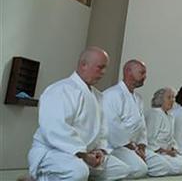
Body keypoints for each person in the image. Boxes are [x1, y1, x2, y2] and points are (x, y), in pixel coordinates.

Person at [27, 47, 132, 181]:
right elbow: (55, 129)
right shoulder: (60, 90)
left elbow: (102, 131)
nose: (103, 72)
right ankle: (41, 176)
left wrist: (100, 150)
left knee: (123, 169)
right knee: (78, 172)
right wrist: (83, 154)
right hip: (55, 152)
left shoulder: (98, 96)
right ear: (83, 65)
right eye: (100, 67)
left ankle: (78, 173)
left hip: (87, 154)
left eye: (105, 68)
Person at [101, 60, 150, 179]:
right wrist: (132, 147)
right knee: (140, 169)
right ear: (128, 72)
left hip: (135, 147)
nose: (145, 77)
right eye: (142, 73)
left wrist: (142, 146)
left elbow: (141, 126)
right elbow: (112, 127)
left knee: (148, 165)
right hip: (116, 146)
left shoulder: (138, 98)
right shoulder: (111, 95)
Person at [145, 87, 182, 175]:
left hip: (168, 153)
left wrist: (174, 149)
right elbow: (149, 140)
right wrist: (164, 151)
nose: (172, 100)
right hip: (156, 152)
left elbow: (172, 138)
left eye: (173, 97)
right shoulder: (155, 113)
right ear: (160, 99)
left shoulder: (170, 116)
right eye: (169, 98)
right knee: (176, 166)